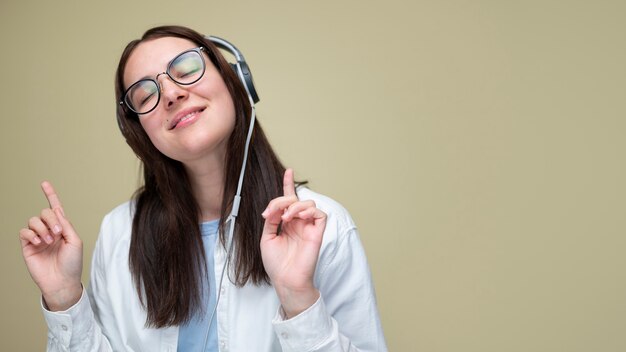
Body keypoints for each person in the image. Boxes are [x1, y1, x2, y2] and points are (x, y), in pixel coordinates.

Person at [19, 25, 387, 351]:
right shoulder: (120, 233)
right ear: (140, 131)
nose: (171, 94)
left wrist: (298, 300)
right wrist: (64, 298)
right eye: (145, 96)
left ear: (234, 79)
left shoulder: (322, 226)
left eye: (186, 70)